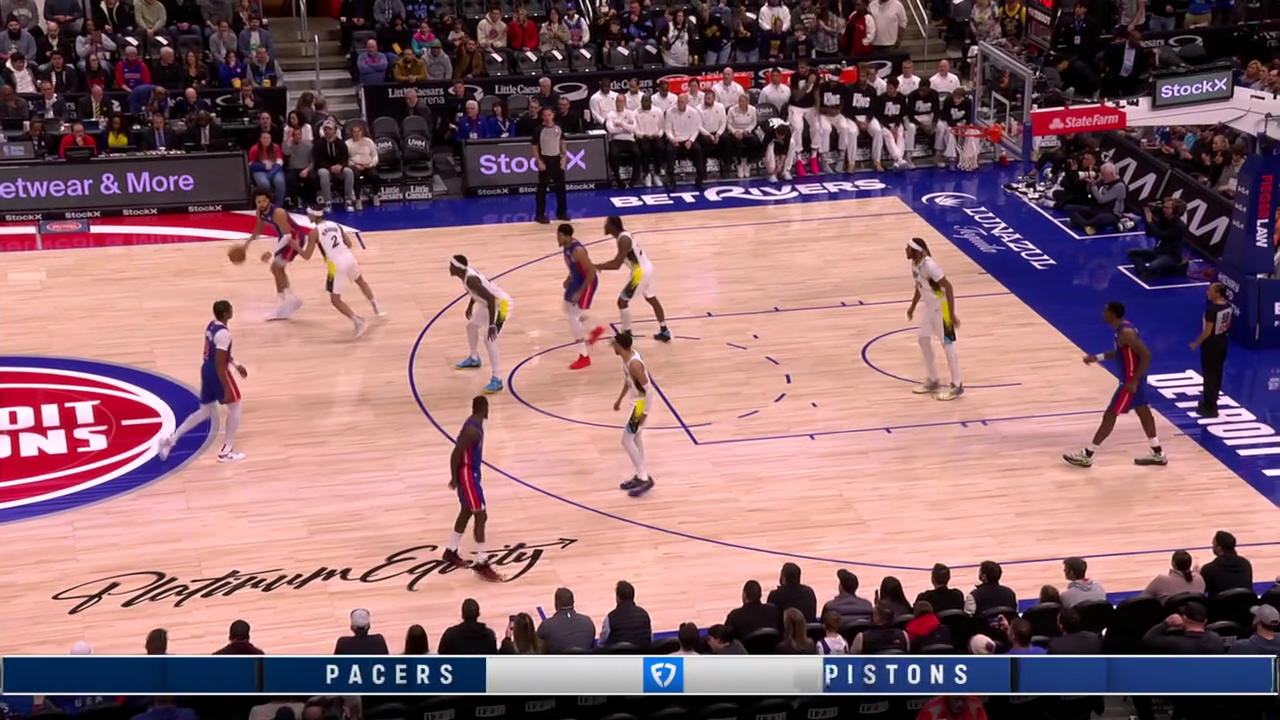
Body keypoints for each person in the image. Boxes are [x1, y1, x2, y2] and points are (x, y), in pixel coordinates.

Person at [1064, 301, 1167, 467]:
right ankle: (1158, 453)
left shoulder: (1126, 332)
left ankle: (1087, 455)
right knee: (1144, 413)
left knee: (1110, 415)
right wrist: (1097, 357)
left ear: (1111, 314)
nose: (1102, 313)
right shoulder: (1121, 330)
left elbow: (1146, 355)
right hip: (1134, 380)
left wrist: (1133, 381)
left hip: (1130, 382)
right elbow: (1120, 353)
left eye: (1105, 310)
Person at [157, 300, 248, 463]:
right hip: (217, 371)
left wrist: (236, 364)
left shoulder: (212, 326)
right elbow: (219, 362)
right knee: (236, 407)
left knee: (204, 411)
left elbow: (220, 353)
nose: (232, 310)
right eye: (230, 309)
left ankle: (171, 439)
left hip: (206, 369)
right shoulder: (224, 334)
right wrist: (226, 388)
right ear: (226, 314)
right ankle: (226, 451)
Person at [298, 206, 382, 338]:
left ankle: (358, 322)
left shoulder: (314, 233)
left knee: (335, 300)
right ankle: (376, 307)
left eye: (308, 214)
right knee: (360, 281)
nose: (307, 216)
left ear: (314, 215)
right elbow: (349, 244)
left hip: (335, 265)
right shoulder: (335, 225)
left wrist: (295, 246)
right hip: (349, 257)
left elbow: (306, 256)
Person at [444, 395, 501, 582]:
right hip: (468, 475)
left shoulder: (476, 424)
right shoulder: (472, 430)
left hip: (471, 473)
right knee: (481, 515)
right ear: (485, 408)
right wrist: (454, 478)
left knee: (467, 510)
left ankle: (451, 550)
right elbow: (456, 453)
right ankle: (482, 561)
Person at [596, 215, 670, 342]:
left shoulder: (624, 240)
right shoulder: (623, 236)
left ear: (613, 226)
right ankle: (665, 330)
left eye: (606, 224)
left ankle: (627, 333)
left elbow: (616, 265)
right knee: (651, 299)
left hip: (640, 273)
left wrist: (597, 266)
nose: (604, 227)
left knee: (622, 302)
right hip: (645, 268)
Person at [905, 238, 962, 400]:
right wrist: (912, 306)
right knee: (923, 339)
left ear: (917, 251)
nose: (906, 250)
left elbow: (948, 287)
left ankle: (957, 385)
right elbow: (919, 286)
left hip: (942, 307)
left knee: (948, 345)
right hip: (930, 308)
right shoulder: (915, 264)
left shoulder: (930, 265)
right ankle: (933, 380)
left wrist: (951, 313)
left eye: (908, 248)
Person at [238, 189, 307, 321]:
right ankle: (291, 300)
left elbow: (288, 236)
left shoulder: (278, 213)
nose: (262, 204)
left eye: (264, 201)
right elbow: (259, 229)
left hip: (295, 238)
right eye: (259, 202)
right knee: (277, 269)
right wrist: (246, 245)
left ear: (269, 200)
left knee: (276, 268)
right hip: (284, 237)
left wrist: (271, 252)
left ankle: (284, 305)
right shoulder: (260, 212)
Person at [449, 255, 511, 395]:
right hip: (490, 305)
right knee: (471, 327)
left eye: (451, 265)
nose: (449, 268)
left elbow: (491, 298)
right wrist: (470, 306)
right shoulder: (466, 276)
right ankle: (474, 358)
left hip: (502, 306)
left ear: (458, 268)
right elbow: (477, 293)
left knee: (489, 339)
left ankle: (497, 379)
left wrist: (491, 326)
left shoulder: (471, 279)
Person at [611, 332, 655, 497]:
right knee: (636, 438)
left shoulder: (634, 364)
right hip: (635, 401)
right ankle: (639, 475)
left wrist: (644, 412)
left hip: (640, 404)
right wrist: (619, 399)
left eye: (614, 344)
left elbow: (649, 390)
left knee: (626, 440)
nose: (613, 346)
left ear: (620, 346)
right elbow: (628, 380)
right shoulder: (626, 358)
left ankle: (643, 476)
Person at [558, 223, 606, 370]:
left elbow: (591, 271)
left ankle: (584, 356)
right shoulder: (566, 246)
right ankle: (594, 329)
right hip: (576, 280)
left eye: (560, 236)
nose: (558, 239)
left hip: (587, 283)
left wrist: (580, 291)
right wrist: (568, 278)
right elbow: (574, 268)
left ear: (568, 236)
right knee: (567, 307)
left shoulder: (577, 250)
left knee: (573, 320)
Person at [1191, 283, 1231, 419]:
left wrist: (1196, 343)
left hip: (1211, 345)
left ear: (1217, 293)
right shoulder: (1227, 306)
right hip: (1223, 342)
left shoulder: (1212, 310)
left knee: (1209, 376)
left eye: (1210, 290)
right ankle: (1211, 402)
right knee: (1217, 374)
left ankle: (1210, 407)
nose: (1207, 291)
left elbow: (1207, 331)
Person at [531, 107, 568, 225]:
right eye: (545, 115)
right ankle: (540, 215)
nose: (547, 117)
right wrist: (538, 160)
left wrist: (564, 157)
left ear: (553, 115)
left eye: (549, 115)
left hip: (557, 158)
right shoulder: (539, 129)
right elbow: (534, 146)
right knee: (542, 188)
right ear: (542, 116)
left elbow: (562, 141)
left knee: (561, 187)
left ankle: (561, 212)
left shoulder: (559, 127)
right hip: (545, 159)